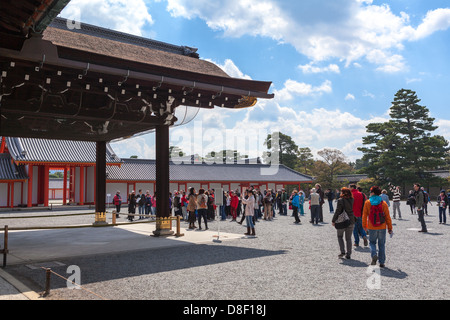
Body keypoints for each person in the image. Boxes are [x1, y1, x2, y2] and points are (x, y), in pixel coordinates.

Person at [362, 186, 393, 267]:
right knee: (381, 244)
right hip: (382, 226)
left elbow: (364, 215)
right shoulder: (383, 203)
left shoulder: (368, 202)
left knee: (372, 242)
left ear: (373, 193)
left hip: (372, 226)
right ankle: (382, 262)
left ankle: (374, 254)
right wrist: (390, 228)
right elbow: (387, 217)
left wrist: (364, 226)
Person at [332, 187, 355, 259]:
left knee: (340, 236)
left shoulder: (341, 200)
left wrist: (333, 220)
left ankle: (342, 251)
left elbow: (338, 211)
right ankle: (349, 254)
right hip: (351, 220)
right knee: (348, 238)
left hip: (342, 220)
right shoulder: (352, 199)